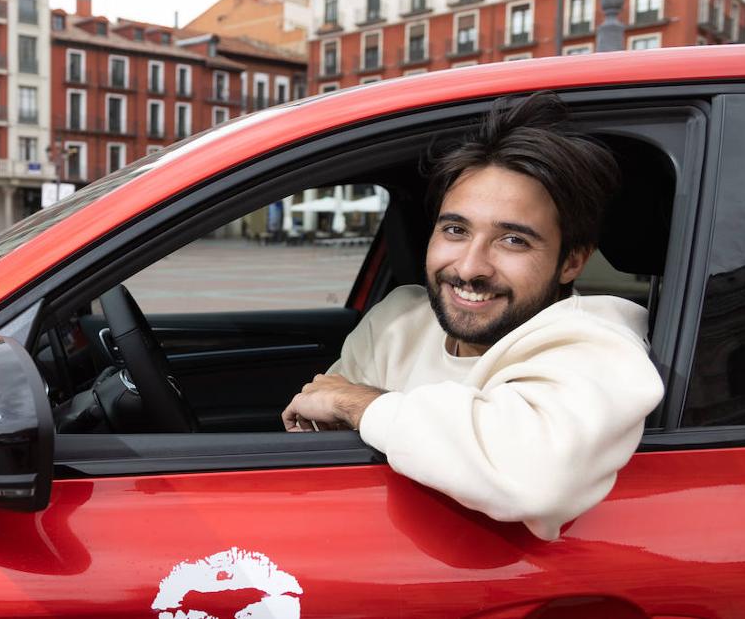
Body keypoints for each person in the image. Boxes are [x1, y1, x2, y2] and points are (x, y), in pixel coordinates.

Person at [281, 92, 663, 541]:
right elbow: (324, 442)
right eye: (456, 230)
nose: (469, 267)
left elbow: (535, 477)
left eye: (514, 241)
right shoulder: (399, 318)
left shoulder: (596, 344)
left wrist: (361, 403)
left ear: (572, 261)